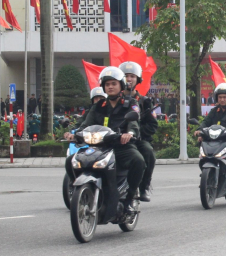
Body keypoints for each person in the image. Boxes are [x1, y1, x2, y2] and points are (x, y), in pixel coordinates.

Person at [65, 66, 146, 218]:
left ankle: (128, 200)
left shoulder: (131, 103)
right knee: (71, 160)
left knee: (139, 161)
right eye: (107, 84)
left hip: (121, 146)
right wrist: (74, 134)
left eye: (114, 83)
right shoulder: (98, 106)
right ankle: (80, 191)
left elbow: (134, 123)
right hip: (99, 147)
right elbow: (85, 125)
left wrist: (130, 133)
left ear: (121, 85)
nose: (110, 87)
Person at [119, 61, 157, 202]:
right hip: (117, 138)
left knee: (148, 153)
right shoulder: (115, 99)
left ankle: (144, 186)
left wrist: (138, 134)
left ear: (138, 79)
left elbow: (152, 125)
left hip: (138, 140)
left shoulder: (144, 101)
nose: (129, 79)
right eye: (126, 76)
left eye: (132, 76)